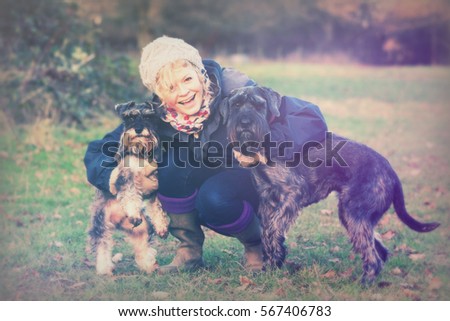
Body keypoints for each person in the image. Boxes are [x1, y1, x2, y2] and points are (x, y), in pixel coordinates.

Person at [84, 36, 328, 274]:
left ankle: (257, 246)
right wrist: (116, 176)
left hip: (247, 181)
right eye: (171, 87)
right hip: (200, 181)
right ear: (160, 95)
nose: (184, 92)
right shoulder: (156, 116)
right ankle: (189, 251)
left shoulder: (238, 91)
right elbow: (99, 149)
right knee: (171, 166)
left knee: (214, 198)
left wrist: (267, 147)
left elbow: (310, 117)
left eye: (187, 79)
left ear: (200, 74)